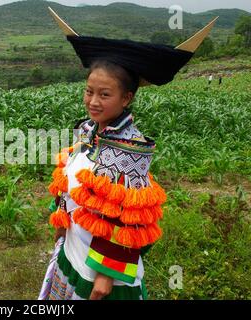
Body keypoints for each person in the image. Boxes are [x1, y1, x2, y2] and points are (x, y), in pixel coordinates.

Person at [40, 8, 217, 300]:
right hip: (73, 252)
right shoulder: (87, 130)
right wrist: (61, 222)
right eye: (88, 91)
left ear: (127, 98)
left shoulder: (130, 149)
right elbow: (69, 184)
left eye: (104, 94)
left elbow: (130, 218)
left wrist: (105, 276)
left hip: (98, 273)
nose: (93, 102)